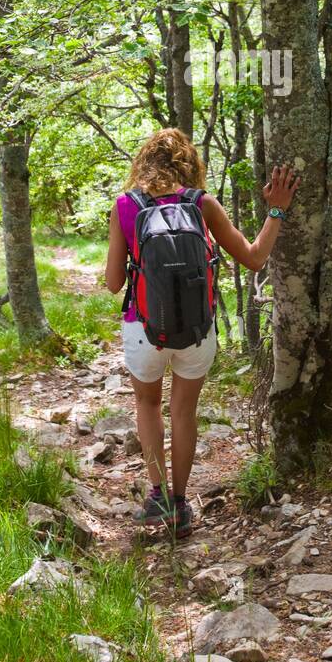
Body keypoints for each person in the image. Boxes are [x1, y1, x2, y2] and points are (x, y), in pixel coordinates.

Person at [105, 127, 299, 538]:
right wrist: (276, 210)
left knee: (148, 404)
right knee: (183, 412)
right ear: (190, 164)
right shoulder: (202, 204)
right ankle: (180, 504)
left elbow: (112, 283)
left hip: (144, 330)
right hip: (196, 331)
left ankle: (157, 496)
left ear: (144, 162)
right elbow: (253, 257)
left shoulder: (125, 205)